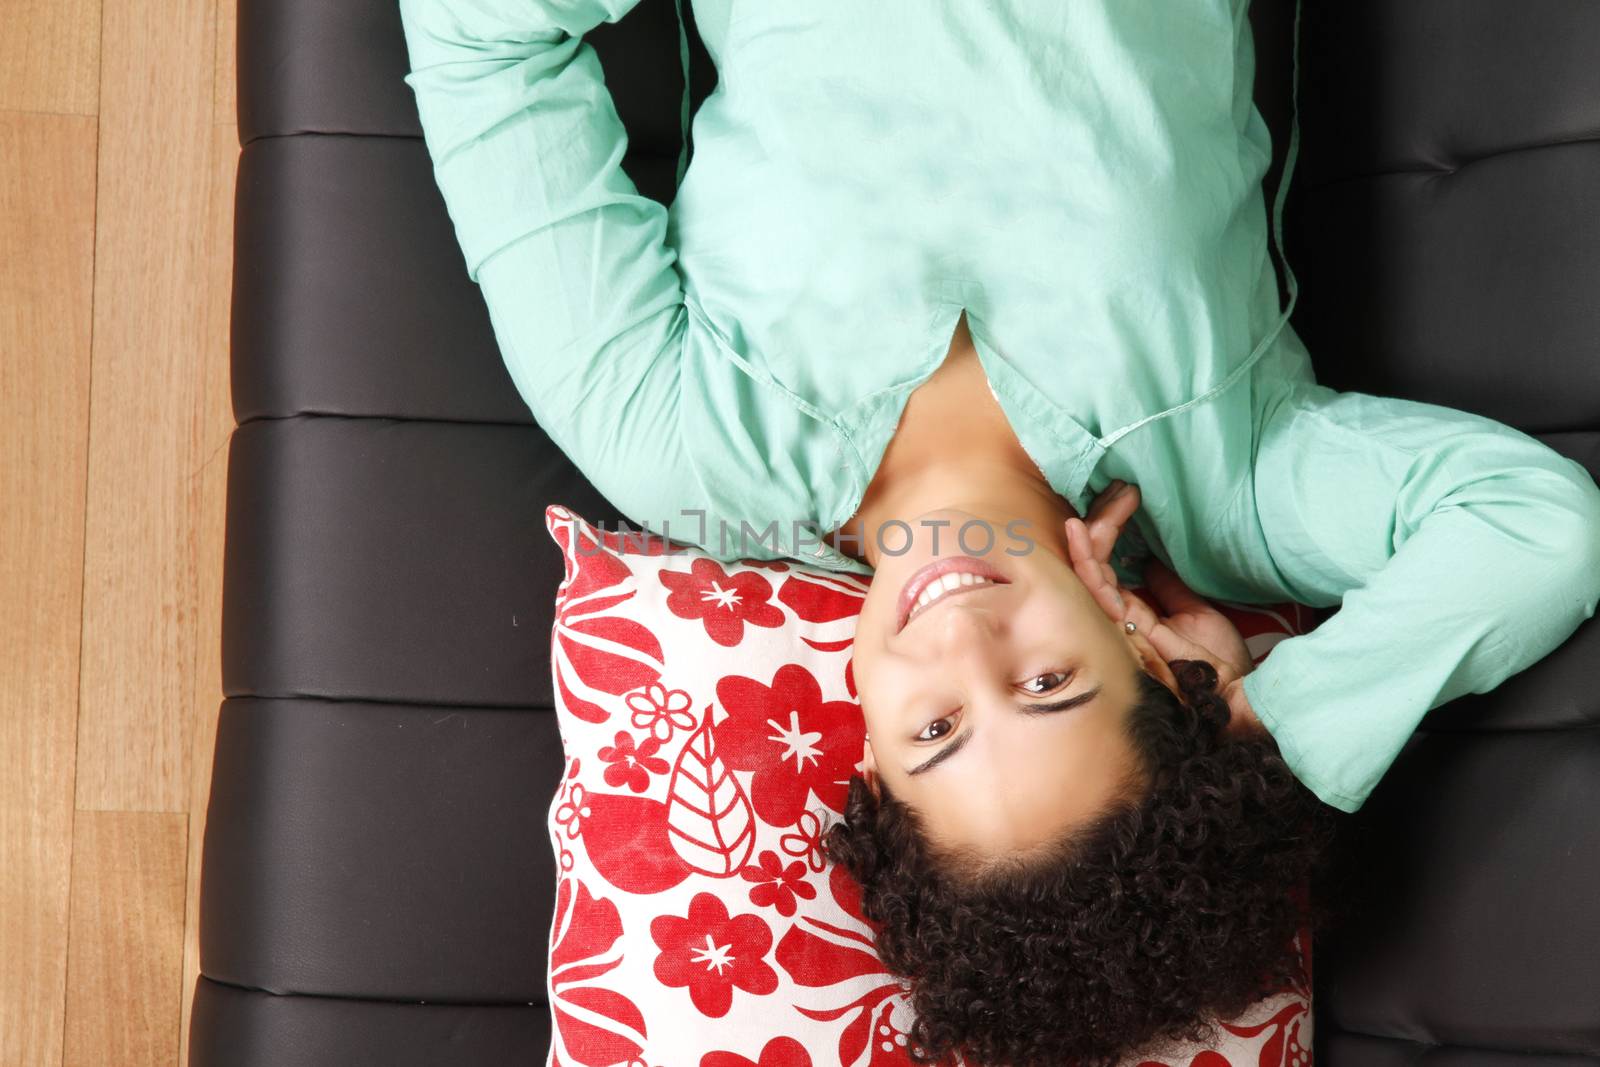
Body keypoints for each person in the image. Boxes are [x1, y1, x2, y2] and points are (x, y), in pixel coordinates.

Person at [399, 0, 1600, 1062]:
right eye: (1047, 681)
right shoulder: (1230, 481)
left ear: (864, 751)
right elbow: (1536, 530)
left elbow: (477, 38)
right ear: (1145, 656)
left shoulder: (677, 442)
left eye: (934, 728)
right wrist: (1258, 732)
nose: (965, 639)